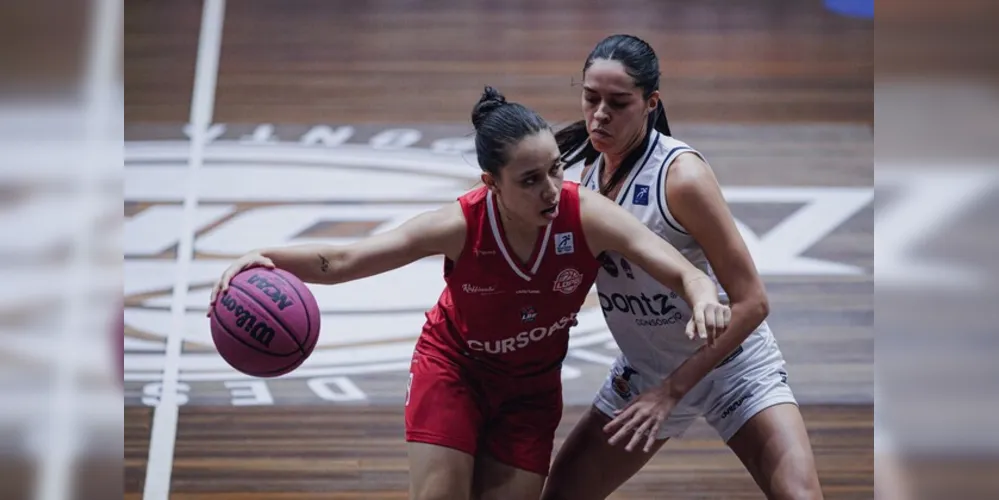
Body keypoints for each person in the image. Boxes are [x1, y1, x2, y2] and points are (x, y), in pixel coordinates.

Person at [208, 86, 731, 500]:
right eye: (529, 180)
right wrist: (266, 257)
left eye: (555, 169)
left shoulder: (585, 214)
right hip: (454, 370)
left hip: (531, 388)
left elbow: (683, 270)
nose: (550, 189)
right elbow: (348, 259)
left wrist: (703, 293)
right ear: (491, 183)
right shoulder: (459, 224)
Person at [542, 35, 825, 500]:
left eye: (618, 103)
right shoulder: (588, 173)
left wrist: (672, 391)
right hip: (647, 372)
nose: (599, 114)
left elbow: (753, 302)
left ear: (651, 103)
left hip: (733, 367)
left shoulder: (682, 177)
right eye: (591, 98)